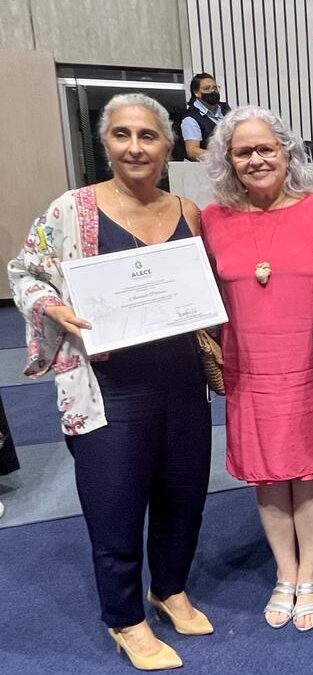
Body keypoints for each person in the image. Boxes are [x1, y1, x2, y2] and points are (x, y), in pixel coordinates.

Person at [8, 93, 214, 671]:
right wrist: (51, 305)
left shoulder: (188, 211)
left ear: (168, 146)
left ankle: (168, 588)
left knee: (184, 499)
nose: (135, 147)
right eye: (122, 135)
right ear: (105, 144)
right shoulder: (71, 210)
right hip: (107, 388)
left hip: (179, 384)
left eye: (148, 136)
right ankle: (126, 619)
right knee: (115, 507)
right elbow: (24, 271)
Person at [201, 106, 313, 632]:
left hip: (308, 362)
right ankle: (283, 573)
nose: (257, 159)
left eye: (267, 148)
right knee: (267, 476)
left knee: (310, 474)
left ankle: (308, 572)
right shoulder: (211, 219)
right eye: (243, 151)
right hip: (249, 366)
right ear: (228, 161)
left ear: (288, 152)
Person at [181, 72, 230, 161]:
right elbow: (192, 151)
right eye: (207, 89)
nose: (212, 91)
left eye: (215, 88)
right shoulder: (191, 119)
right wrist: (221, 158)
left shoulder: (226, 109)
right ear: (197, 93)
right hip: (213, 168)